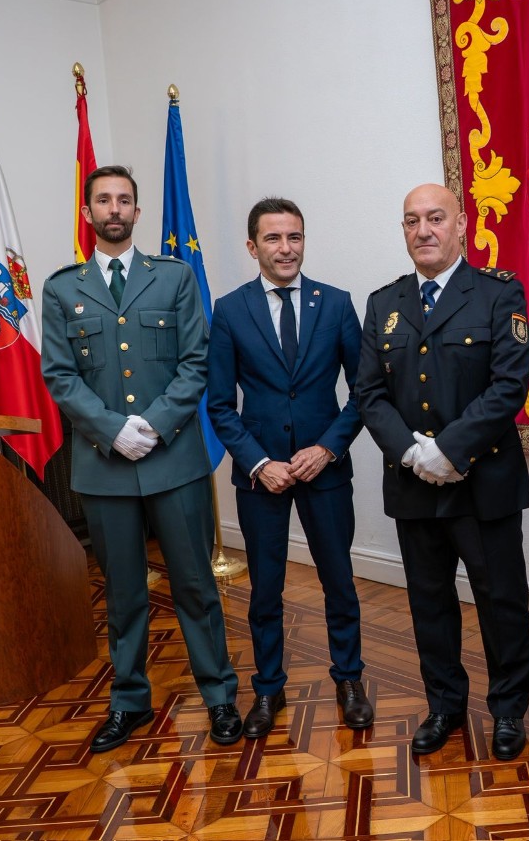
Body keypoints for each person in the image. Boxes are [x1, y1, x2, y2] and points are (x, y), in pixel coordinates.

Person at [41, 165, 241, 752]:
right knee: (123, 594)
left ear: (137, 211)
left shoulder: (173, 278)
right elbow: (59, 374)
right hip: (103, 467)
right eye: (103, 200)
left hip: (173, 459)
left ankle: (220, 696)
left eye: (124, 200)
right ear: (88, 213)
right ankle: (129, 702)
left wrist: (150, 426)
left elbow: (195, 363)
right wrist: (112, 430)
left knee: (196, 585)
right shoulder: (62, 288)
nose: (114, 209)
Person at [355, 183, 529, 760]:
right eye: (412, 221)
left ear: (462, 224)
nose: (423, 231)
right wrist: (412, 453)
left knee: (500, 602)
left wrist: (449, 451)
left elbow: (509, 384)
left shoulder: (497, 295)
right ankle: (444, 706)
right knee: (428, 603)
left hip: (483, 483)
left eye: (436, 218)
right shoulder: (384, 303)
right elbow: (369, 392)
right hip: (413, 485)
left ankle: (508, 710)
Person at [206, 197, 372, 739]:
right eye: (274, 239)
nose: (286, 248)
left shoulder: (338, 304)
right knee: (265, 591)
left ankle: (349, 681)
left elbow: (364, 392)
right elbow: (219, 405)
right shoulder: (230, 311)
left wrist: (326, 449)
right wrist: (257, 463)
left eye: (294, 237)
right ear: (253, 247)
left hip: (324, 471)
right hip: (262, 479)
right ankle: (269, 689)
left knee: (339, 583)